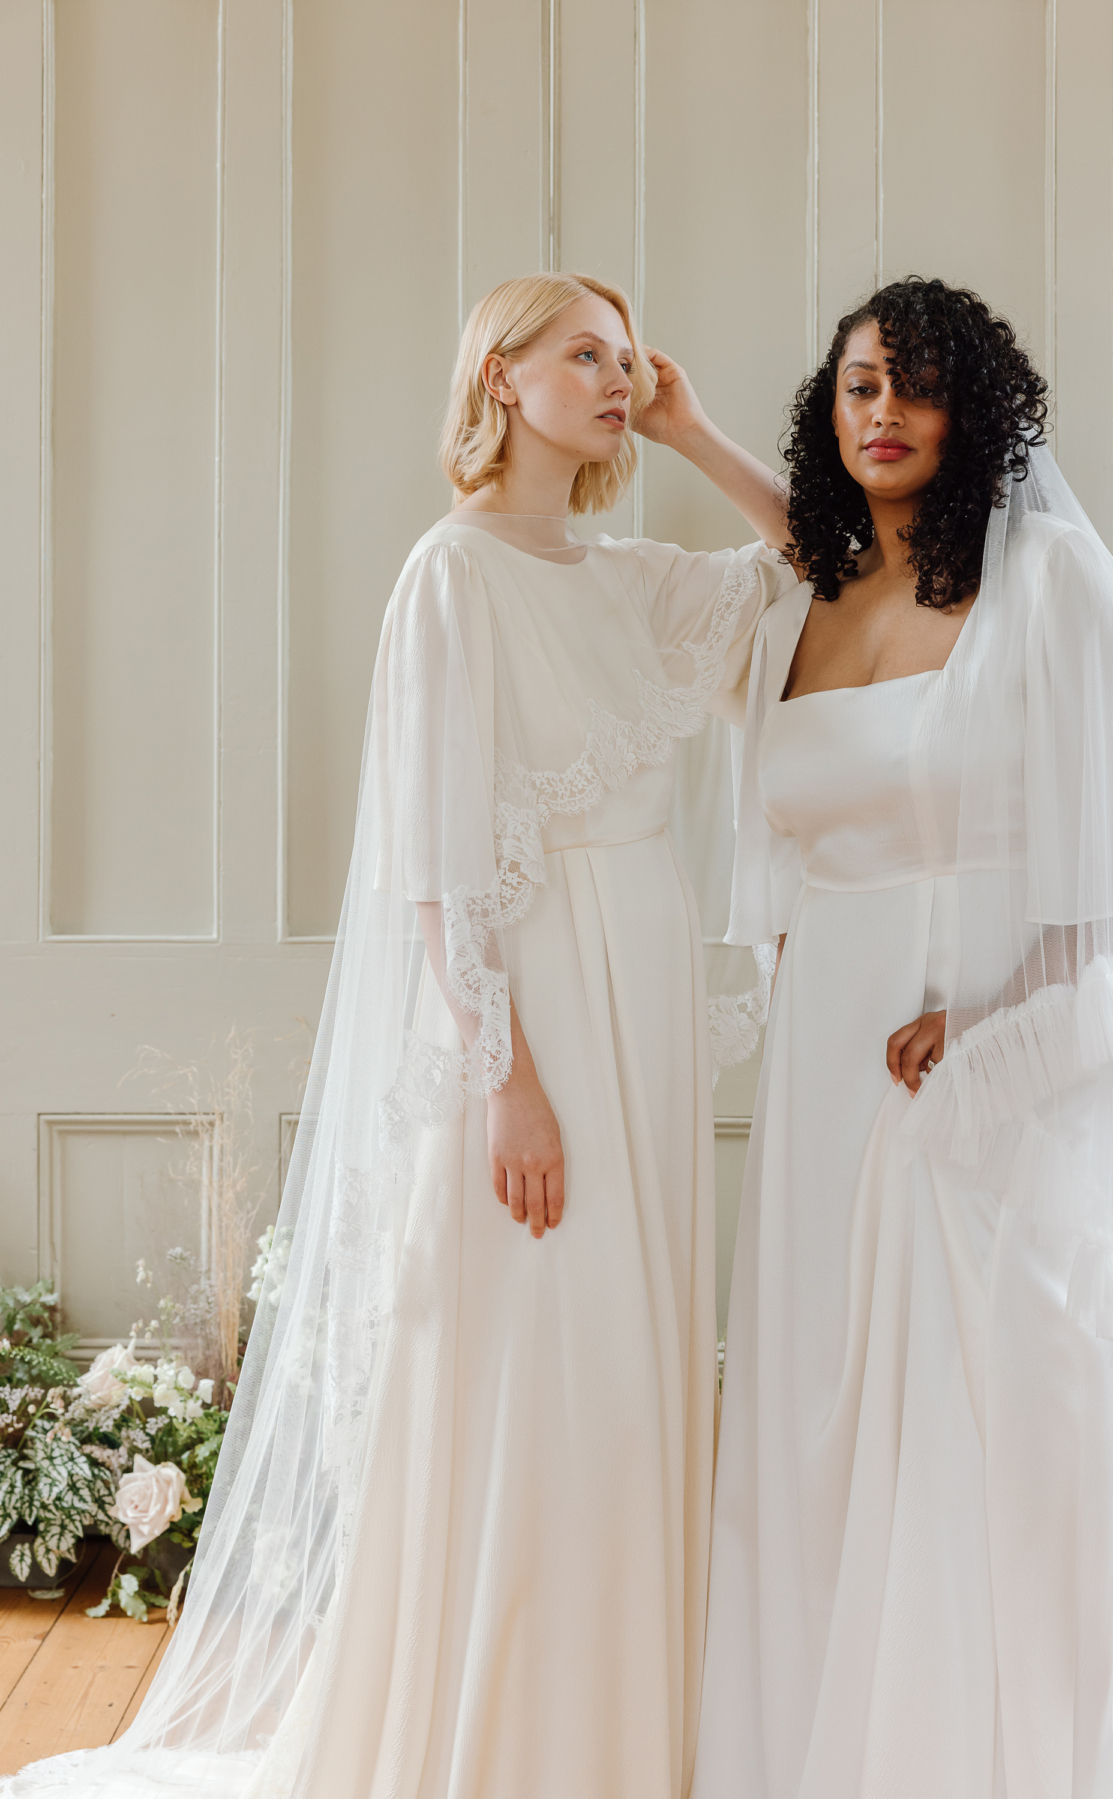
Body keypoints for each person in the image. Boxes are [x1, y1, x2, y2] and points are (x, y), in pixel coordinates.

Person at [2, 273, 793, 1799]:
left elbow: (813, 555)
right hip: (537, 1014)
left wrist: (693, 432)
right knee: (529, 1357)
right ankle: (498, 1738)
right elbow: (435, 865)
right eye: (587, 354)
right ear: (501, 377)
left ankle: (620, 1734)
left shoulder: (629, 579)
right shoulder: (451, 577)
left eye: (631, 361)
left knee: (627, 1365)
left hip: (638, 995)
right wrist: (509, 1083)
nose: (618, 380)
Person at [692, 276, 1113, 1799]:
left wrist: (1000, 1020)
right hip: (825, 1054)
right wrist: (682, 429)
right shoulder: (803, 594)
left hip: (979, 1051)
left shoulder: (1052, 583)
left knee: (992, 1398)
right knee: (820, 1396)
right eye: (860, 385)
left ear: (971, 409)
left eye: (915, 385)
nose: (885, 412)